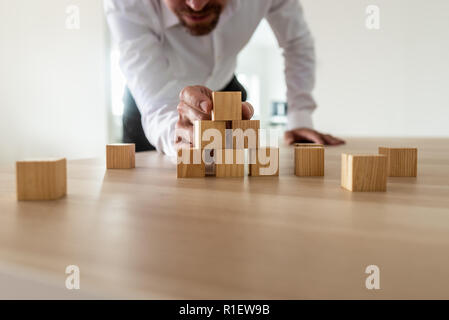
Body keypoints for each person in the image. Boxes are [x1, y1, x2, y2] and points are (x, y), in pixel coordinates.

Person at [105, 0, 345, 155]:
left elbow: (296, 42)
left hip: (225, 86)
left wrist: (300, 117)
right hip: (152, 100)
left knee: (231, 168)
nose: (196, 5)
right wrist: (176, 133)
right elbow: (157, 103)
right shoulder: (125, 4)